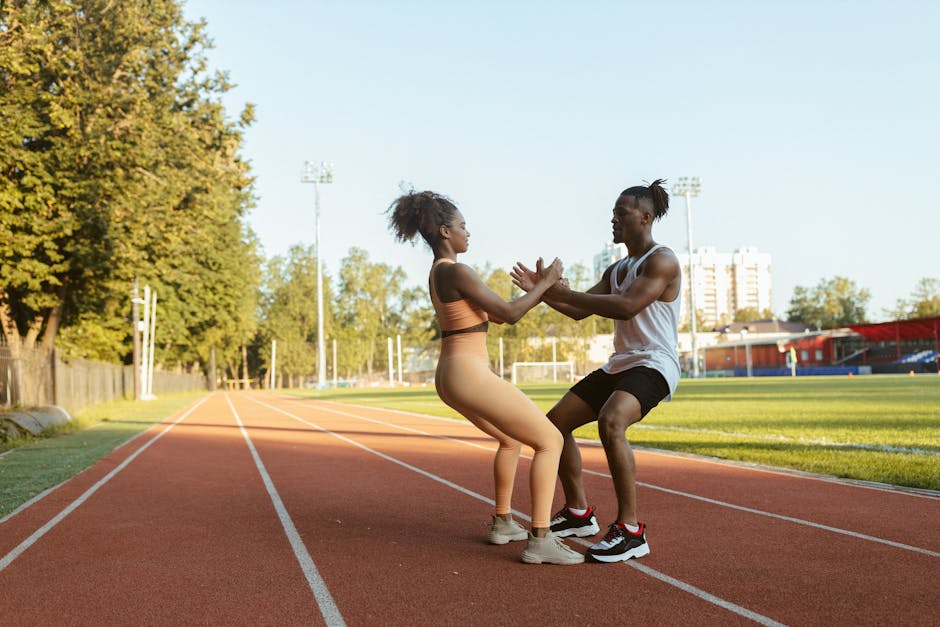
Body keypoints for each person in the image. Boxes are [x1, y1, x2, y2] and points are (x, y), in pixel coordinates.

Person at [387, 190, 583, 565]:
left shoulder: (441, 272)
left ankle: (503, 522)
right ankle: (541, 538)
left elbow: (497, 313)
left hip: (451, 374)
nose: (469, 233)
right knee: (549, 440)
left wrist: (536, 291)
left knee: (510, 440)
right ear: (445, 231)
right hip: (466, 372)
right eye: (463, 226)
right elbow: (509, 315)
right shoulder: (455, 270)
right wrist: (549, 282)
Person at [510, 179, 680, 563]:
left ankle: (631, 529)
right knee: (553, 426)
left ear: (646, 217)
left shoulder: (662, 260)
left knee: (612, 420)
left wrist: (557, 289)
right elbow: (580, 310)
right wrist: (543, 292)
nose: (613, 220)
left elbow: (625, 307)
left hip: (654, 362)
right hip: (623, 363)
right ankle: (578, 513)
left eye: (622, 213)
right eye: (613, 214)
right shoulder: (619, 267)